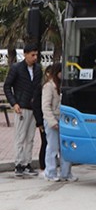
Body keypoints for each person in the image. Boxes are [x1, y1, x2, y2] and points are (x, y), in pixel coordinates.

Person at [3, 43, 42, 177]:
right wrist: (14, 103)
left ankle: (27, 163)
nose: (35, 57)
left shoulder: (38, 69)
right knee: (20, 137)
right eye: (32, 55)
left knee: (30, 138)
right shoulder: (16, 68)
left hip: (33, 108)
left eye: (36, 54)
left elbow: (38, 88)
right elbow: (7, 86)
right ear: (25, 54)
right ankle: (18, 164)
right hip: (21, 106)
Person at [42, 63, 77, 182]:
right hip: (53, 119)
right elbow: (45, 106)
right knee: (53, 147)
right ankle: (50, 172)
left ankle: (66, 173)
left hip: (63, 119)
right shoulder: (49, 86)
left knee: (65, 147)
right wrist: (52, 122)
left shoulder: (63, 85)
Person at [38, 65, 52, 170]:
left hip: (50, 118)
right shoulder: (43, 87)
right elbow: (38, 105)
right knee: (46, 142)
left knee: (50, 143)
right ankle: (43, 165)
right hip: (44, 118)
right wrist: (39, 122)